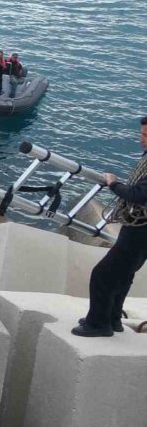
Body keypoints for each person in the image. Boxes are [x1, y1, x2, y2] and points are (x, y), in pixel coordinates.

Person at [74, 117, 147, 337]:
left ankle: (98, 324)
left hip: (139, 232)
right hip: (140, 230)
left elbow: (138, 195)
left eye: (146, 136)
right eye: (142, 134)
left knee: (103, 275)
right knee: (124, 275)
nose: (141, 139)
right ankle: (112, 318)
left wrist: (113, 183)